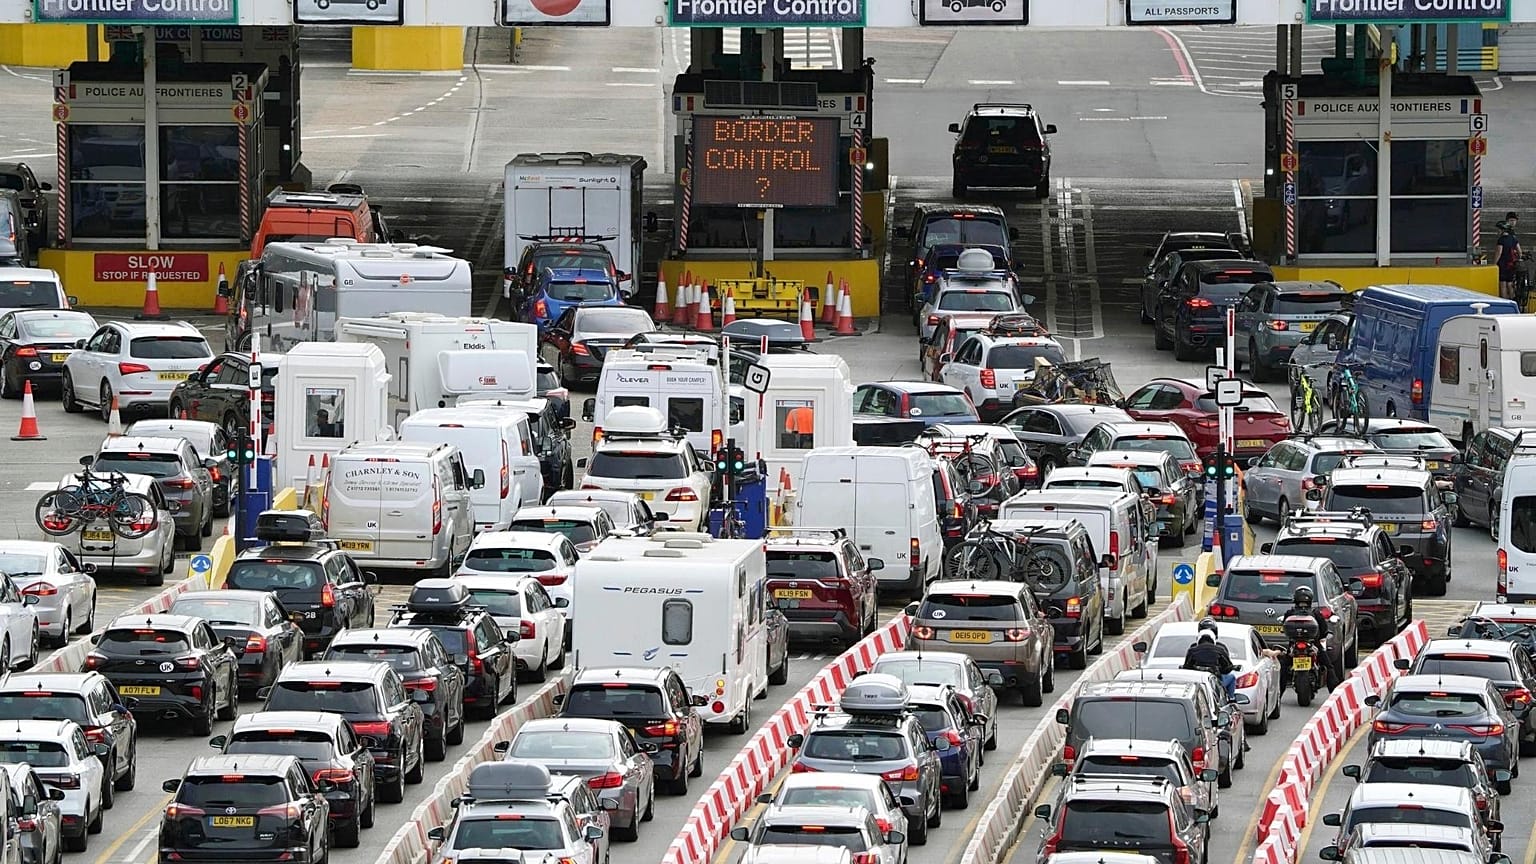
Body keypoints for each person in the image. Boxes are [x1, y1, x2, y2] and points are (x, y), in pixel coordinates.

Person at [1285, 586, 1343, 691]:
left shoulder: (1290, 613)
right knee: (1329, 666)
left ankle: (1278, 695)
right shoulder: (1315, 613)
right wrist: (1322, 636)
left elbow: (1284, 628)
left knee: (1283, 667)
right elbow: (1324, 629)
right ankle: (1334, 693)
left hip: (1294, 645)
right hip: (1314, 644)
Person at [1182, 617, 1237, 701]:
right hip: (1214, 682)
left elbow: (1186, 668)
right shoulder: (1220, 650)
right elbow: (1227, 668)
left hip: (1197, 682)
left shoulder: (1192, 650)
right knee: (1232, 677)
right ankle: (1231, 699)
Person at [1497, 213, 1522, 302]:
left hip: (1503, 264)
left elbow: (1499, 252)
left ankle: (1505, 303)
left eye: (1514, 221)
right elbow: (1520, 251)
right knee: (1510, 283)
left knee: (1503, 284)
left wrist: (1494, 263)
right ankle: (1513, 301)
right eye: (1511, 220)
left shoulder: (1501, 239)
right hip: (1512, 264)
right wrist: (1518, 258)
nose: (1513, 223)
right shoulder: (1513, 237)